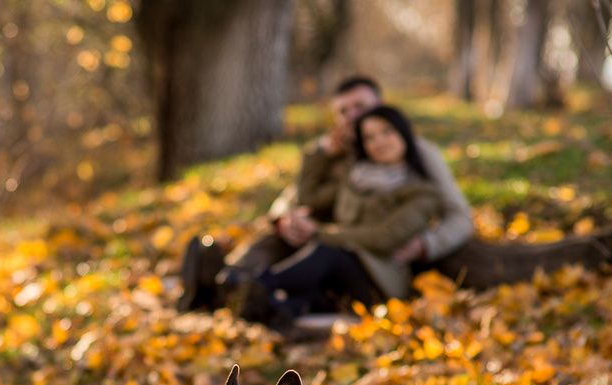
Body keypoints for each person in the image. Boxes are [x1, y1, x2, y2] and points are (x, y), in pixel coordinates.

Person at [179, 76, 473, 318]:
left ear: (383, 108)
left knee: (324, 254)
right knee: (275, 240)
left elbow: (456, 216)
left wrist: (427, 244)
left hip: (358, 254)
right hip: (327, 246)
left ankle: (230, 286)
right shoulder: (347, 159)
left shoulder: (420, 160)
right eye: (343, 111)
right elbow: (298, 197)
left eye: (360, 106)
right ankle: (227, 284)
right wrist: (285, 218)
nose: (352, 117)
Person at [237, 105, 443, 326]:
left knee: (329, 252)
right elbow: (309, 198)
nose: (379, 142)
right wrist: (319, 154)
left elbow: (385, 237)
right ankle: (247, 300)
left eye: (387, 132)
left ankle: (252, 285)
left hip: (379, 281)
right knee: (295, 297)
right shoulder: (354, 178)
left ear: (404, 133)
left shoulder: (423, 193)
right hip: (337, 278)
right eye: (369, 137)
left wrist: (319, 232)